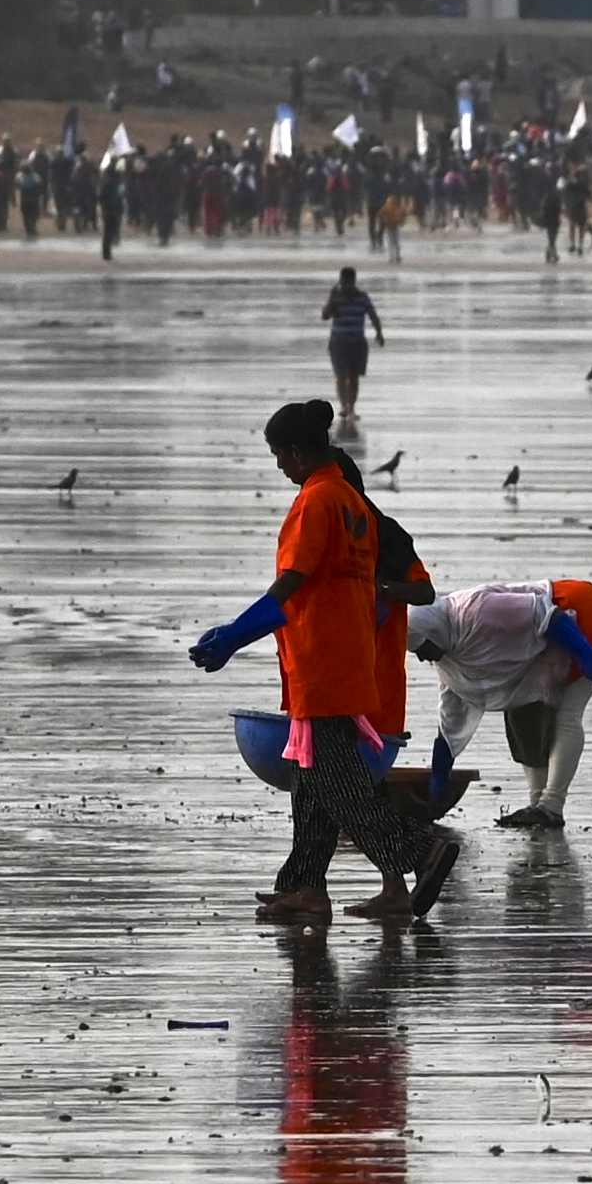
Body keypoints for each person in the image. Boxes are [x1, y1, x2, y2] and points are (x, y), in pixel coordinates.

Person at [197, 399, 451, 926]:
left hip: (324, 664)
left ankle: (418, 852)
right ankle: (305, 886)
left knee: (338, 784)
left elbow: (289, 590)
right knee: (312, 777)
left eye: (278, 456)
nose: (278, 467)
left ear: (294, 451)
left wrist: (232, 637)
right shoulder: (351, 503)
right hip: (341, 660)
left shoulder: (318, 502)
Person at [407, 574, 592, 829]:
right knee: (523, 715)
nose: (423, 658)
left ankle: (551, 805)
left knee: (567, 714)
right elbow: (449, 726)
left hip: (577, 614)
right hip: (544, 644)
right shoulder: (451, 662)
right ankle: (537, 806)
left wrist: (587, 654)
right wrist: (438, 780)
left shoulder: (475, 611)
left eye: (423, 649)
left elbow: (548, 616)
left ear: (434, 632)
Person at [323, 264, 384, 424]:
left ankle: (352, 408)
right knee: (341, 376)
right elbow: (325, 316)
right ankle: (344, 406)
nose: (346, 285)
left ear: (353, 281)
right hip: (338, 342)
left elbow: (373, 315)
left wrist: (379, 333)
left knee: (354, 377)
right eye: (344, 281)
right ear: (341, 281)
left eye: (349, 281)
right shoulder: (336, 297)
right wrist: (331, 299)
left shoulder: (362, 297)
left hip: (357, 343)